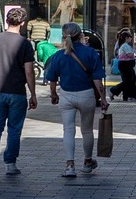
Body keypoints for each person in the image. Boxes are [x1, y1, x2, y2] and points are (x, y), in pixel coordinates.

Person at [0, 6, 39, 176]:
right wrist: (33, 94)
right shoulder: (25, 44)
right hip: (17, 92)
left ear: (7, 21)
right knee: (14, 129)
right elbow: (28, 71)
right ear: (22, 23)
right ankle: (10, 164)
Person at [42, 22, 107, 178]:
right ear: (81, 36)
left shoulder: (58, 56)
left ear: (64, 37)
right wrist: (103, 98)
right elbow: (98, 79)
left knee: (68, 130)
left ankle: (70, 165)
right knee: (87, 130)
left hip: (66, 95)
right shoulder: (91, 53)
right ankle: (87, 162)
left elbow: (52, 79)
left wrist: (53, 94)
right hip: (86, 95)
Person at [114, 30, 136, 102]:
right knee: (127, 81)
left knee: (130, 80)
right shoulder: (125, 45)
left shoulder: (125, 45)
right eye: (130, 37)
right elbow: (130, 54)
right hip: (125, 65)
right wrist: (134, 48)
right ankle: (114, 90)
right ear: (126, 38)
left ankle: (130, 96)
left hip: (127, 65)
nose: (131, 39)